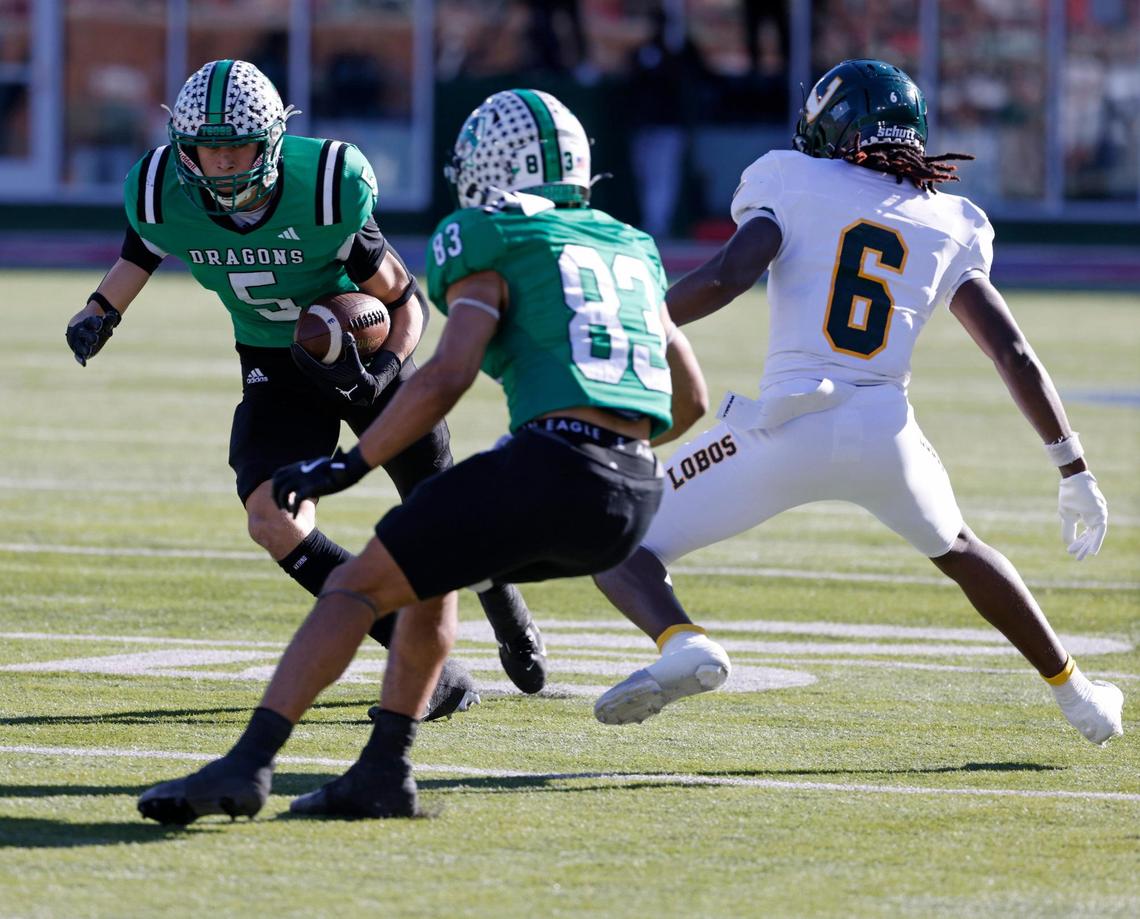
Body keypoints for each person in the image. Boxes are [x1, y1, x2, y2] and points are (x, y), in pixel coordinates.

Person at [135, 87, 708, 823]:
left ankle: (248, 764)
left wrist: (352, 463)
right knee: (429, 559)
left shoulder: (487, 233)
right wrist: (609, 449)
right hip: (632, 494)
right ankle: (381, 771)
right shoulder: (632, 245)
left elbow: (445, 373)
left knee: (357, 588)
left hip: (550, 471)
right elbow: (688, 399)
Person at [591, 59, 1124, 747]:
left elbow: (730, 275)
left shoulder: (789, 177)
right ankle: (1082, 697)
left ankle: (683, 641)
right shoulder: (949, 218)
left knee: (615, 536)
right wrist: (1072, 466)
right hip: (884, 431)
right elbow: (1012, 351)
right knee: (960, 548)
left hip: (787, 423)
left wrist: (637, 327)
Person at [64, 59, 547, 723]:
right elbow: (142, 249)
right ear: (183, 150)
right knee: (271, 519)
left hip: (362, 349)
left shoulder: (324, 188)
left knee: (439, 507)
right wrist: (100, 311)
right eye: (209, 149)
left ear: (272, 142)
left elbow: (407, 303)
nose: (225, 164)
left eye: (239, 147)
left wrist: (384, 371)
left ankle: (505, 604)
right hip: (273, 361)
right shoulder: (160, 191)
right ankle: (415, 647)